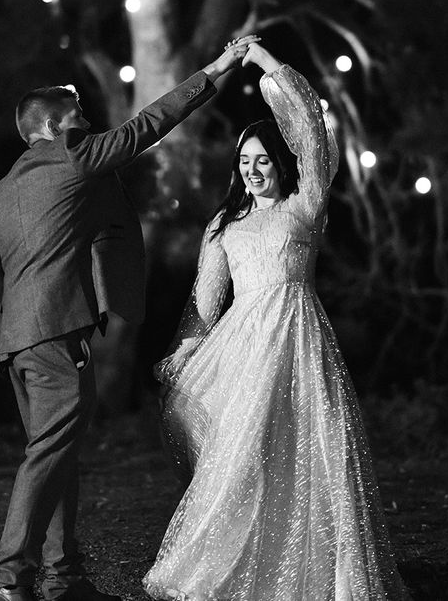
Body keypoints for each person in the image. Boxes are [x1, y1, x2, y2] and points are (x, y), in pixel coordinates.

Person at [0, 35, 259, 601]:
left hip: (17, 340)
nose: (88, 123)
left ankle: (64, 578)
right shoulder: (75, 157)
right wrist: (218, 67)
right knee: (48, 453)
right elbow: (149, 124)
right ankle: (10, 578)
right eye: (79, 115)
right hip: (55, 333)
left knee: (54, 451)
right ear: (56, 126)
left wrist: (15, 334)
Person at [143, 42, 411, 600]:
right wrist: (187, 347)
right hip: (243, 343)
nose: (253, 170)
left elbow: (312, 130)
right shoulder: (225, 224)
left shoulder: (303, 205)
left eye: (263, 160)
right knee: (241, 453)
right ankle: (235, 564)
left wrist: (264, 61)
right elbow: (206, 297)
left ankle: (317, 573)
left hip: (298, 336)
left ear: (280, 165)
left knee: (311, 450)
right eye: (245, 163)